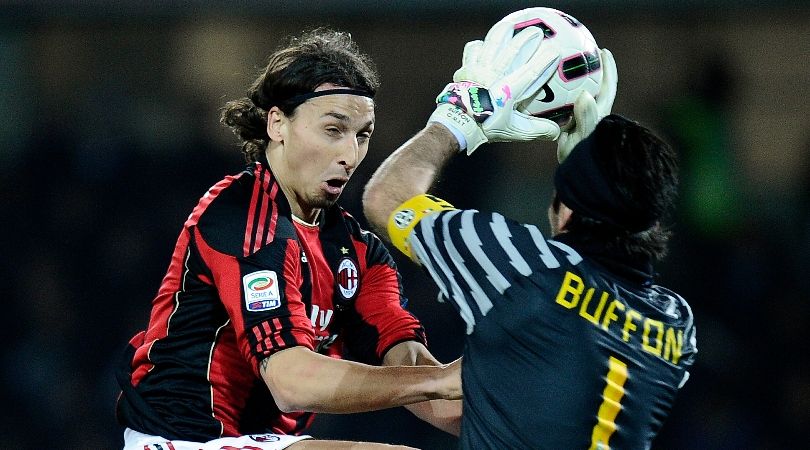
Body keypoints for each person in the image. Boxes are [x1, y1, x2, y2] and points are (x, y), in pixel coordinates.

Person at [363, 8, 697, 449]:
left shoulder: (522, 266)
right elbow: (506, 411)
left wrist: (459, 116)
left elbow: (386, 198)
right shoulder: (676, 325)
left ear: (566, 211)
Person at [115, 28, 462, 450]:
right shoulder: (241, 214)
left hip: (262, 442)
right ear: (277, 124)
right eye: (333, 130)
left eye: (363, 135)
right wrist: (439, 380)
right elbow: (291, 381)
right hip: (180, 439)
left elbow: (422, 383)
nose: (350, 156)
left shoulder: (360, 252)